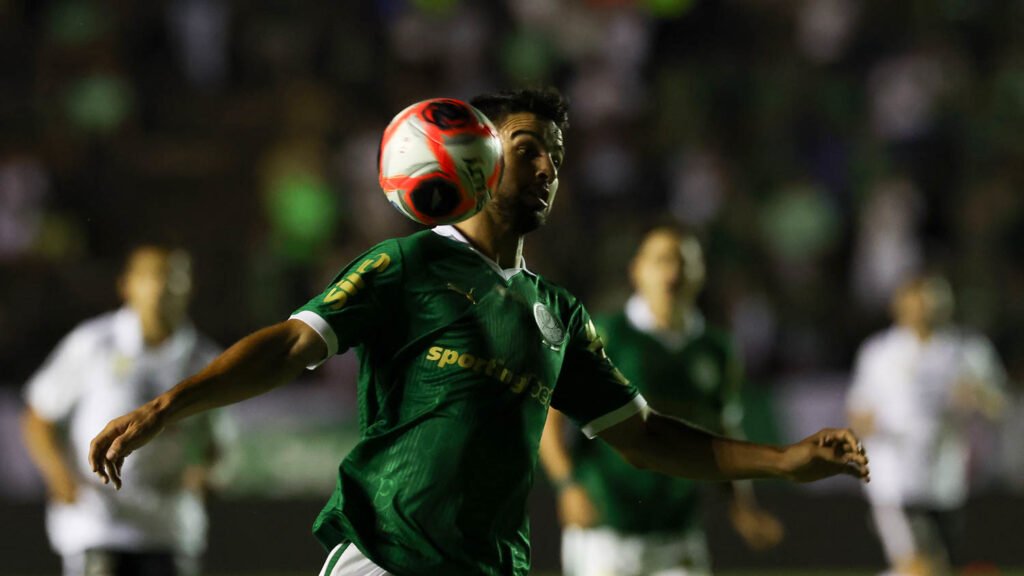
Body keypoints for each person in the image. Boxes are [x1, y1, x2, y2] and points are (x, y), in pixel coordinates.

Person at [89, 88, 868, 576]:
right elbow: (292, 345)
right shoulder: (407, 265)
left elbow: (642, 435)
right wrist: (165, 408)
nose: (548, 170)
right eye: (528, 151)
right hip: (383, 560)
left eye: (557, 158)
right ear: (476, 161)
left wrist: (782, 460)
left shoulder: (560, 315)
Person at [540, 227, 783, 576]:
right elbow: (553, 416)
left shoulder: (716, 350)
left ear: (701, 274)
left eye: (684, 262)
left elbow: (723, 428)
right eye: (661, 260)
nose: (673, 272)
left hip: (679, 533)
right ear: (637, 271)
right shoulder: (605, 335)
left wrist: (741, 506)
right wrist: (567, 485)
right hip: (605, 532)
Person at [22, 245, 231, 576]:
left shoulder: (204, 360)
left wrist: (205, 475)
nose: (163, 287)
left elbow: (216, 442)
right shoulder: (93, 343)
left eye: (173, 276)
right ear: (127, 285)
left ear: (190, 286)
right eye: (152, 276)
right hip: (98, 522)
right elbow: (38, 415)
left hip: (168, 526)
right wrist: (60, 477)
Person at [847, 274, 1006, 576]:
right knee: (920, 566)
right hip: (894, 478)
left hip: (945, 477)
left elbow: (999, 406)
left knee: (937, 568)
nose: (926, 309)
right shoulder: (880, 352)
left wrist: (977, 396)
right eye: (918, 301)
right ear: (900, 306)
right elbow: (858, 410)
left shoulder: (967, 350)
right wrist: (870, 424)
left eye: (934, 300)